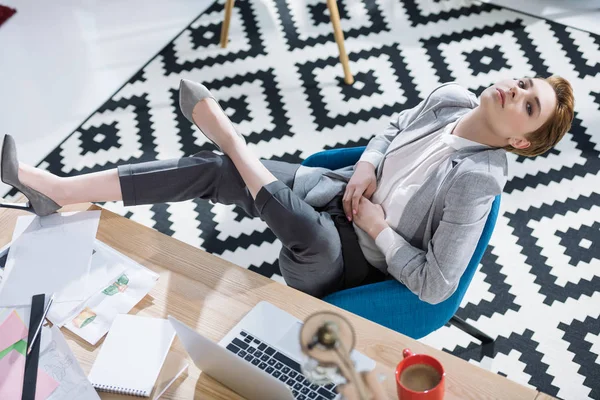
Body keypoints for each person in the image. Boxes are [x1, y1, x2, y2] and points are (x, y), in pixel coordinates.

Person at [0, 76, 574, 304]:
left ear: (521, 143)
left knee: (308, 233)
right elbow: (394, 128)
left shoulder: (477, 182)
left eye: (529, 106)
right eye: (525, 84)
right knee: (217, 169)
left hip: (357, 259)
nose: (516, 92)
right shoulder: (450, 97)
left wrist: (375, 225)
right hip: (339, 192)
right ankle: (59, 188)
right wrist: (371, 163)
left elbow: (438, 285)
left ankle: (231, 135)